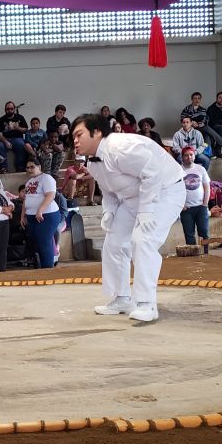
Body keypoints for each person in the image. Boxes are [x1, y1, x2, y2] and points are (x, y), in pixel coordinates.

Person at [74, 114, 184, 323]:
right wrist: (109, 212)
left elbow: (152, 173)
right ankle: (122, 298)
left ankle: (146, 303)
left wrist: (146, 210)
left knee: (143, 239)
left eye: (79, 135)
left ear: (96, 132)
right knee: (114, 243)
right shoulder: (94, 164)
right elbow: (109, 192)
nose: (75, 141)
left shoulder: (121, 147)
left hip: (165, 191)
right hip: (133, 198)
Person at [21, 158, 62, 267]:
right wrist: (22, 216)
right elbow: (26, 199)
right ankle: (42, 268)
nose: (29, 169)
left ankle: (48, 271)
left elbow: (50, 195)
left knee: (45, 243)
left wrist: (40, 211)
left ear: (39, 167)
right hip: (32, 216)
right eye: (27, 167)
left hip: (46, 215)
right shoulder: (29, 182)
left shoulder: (46, 178)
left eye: (32, 167)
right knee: (36, 244)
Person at [178, 148, 211, 248]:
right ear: (182, 157)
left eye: (191, 155)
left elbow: (207, 187)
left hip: (201, 206)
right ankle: (192, 259)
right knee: (189, 235)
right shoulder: (178, 171)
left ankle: (206, 256)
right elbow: (173, 190)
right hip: (186, 209)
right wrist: (181, 205)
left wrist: (205, 203)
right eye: (186, 155)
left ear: (194, 156)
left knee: (204, 232)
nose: (189, 157)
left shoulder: (201, 169)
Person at [181, 92, 222, 156]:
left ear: (200, 100)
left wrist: (203, 123)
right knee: (206, 129)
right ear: (192, 99)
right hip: (191, 128)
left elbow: (206, 119)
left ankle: (209, 154)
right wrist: (191, 122)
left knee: (206, 133)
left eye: (198, 98)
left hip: (201, 127)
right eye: (195, 98)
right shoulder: (187, 109)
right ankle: (221, 141)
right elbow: (182, 119)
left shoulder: (203, 109)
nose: (197, 100)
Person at [0, 101, 29, 171]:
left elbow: (25, 130)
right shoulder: (1, 120)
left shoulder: (20, 117)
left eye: (11, 108)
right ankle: (3, 168)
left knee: (20, 144)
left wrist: (17, 128)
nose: (9, 110)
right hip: (4, 139)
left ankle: (20, 167)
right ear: (5, 110)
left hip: (17, 138)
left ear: (14, 109)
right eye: (8, 109)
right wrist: (6, 142)